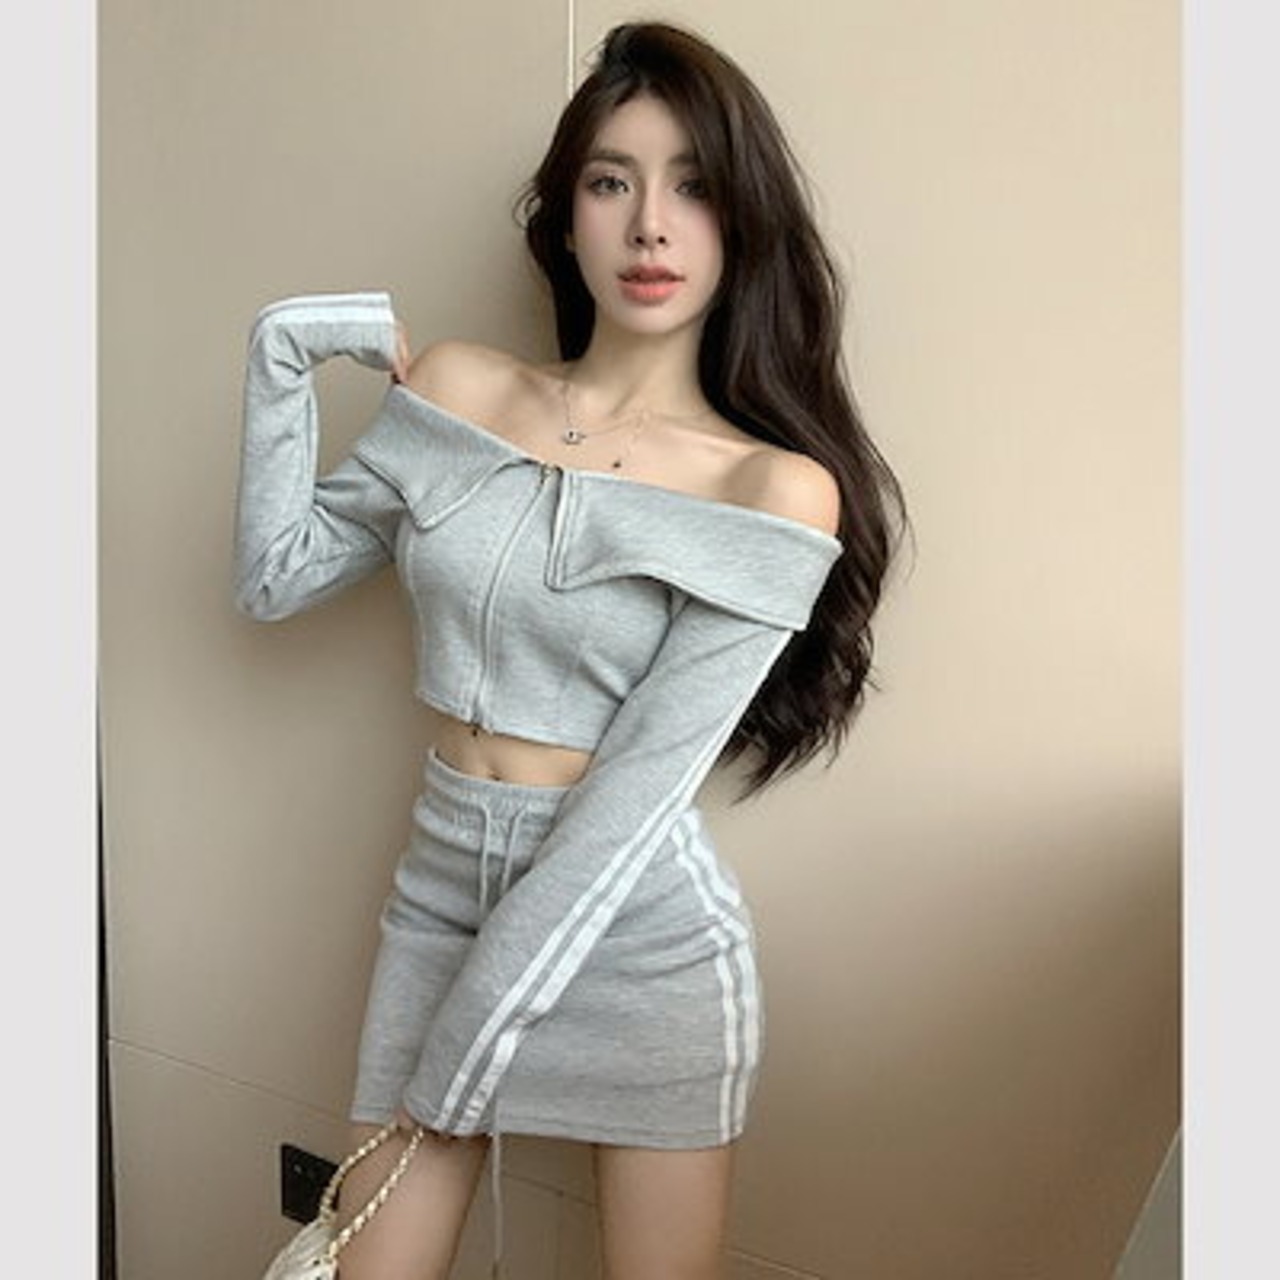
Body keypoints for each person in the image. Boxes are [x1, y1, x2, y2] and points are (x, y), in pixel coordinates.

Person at [236, 20, 905, 1280]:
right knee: (358, 1263)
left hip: (633, 929)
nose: (650, 225)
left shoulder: (770, 490)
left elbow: (632, 801)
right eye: (612, 181)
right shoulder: (459, 389)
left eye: (693, 186)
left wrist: (457, 1059)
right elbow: (275, 578)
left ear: (740, 222)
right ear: (565, 216)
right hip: (440, 895)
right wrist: (281, 356)